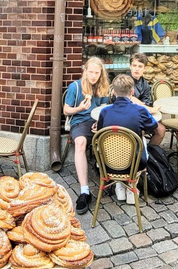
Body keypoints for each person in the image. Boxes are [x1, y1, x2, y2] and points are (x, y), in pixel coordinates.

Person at [97, 75, 161, 204]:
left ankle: (120, 186)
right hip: (135, 164)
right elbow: (154, 125)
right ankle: (132, 187)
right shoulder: (140, 110)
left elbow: (99, 133)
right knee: (140, 139)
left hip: (108, 163)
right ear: (132, 92)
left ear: (114, 92)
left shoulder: (104, 112)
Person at [64, 57, 110, 215]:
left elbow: (105, 108)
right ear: (85, 71)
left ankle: (113, 179)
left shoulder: (103, 87)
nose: (93, 76)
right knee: (81, 143)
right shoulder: (75, 87)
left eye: (97, 73)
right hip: (80, 121)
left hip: (97, 121)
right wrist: (79, 108)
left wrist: (100, 121)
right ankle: (85, 191)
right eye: (91, 72)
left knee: (111, 138)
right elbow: (66, 110)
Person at [127, 53, 166, 145]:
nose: (137, 69)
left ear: (144, 69)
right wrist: (135, 100)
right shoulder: (123, 80)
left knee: (161, 129)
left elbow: (147, 103)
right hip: (127, 116)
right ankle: (136, 155)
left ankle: (149, 153)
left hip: (141, 116)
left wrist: (136, 101)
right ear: (130, 67)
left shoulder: (145, 84)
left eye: (140, 66)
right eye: (134, 65)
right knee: (140, 131)